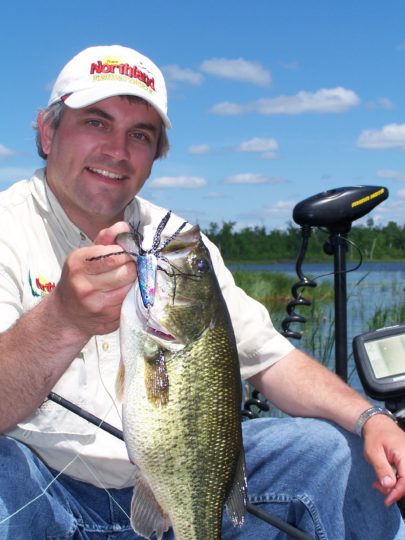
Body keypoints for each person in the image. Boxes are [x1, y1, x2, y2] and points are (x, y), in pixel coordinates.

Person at [0, 44, 404, 540]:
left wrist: (372, 419)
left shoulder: (178, 245)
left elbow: (271, 359)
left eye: (140, 135)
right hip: (49, 495)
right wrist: (61, 319)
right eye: (96, 123)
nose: (117, 150)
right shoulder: (7, 229)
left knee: (331, 453)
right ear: (47, 131)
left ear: (154, 157)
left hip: (185, 483)